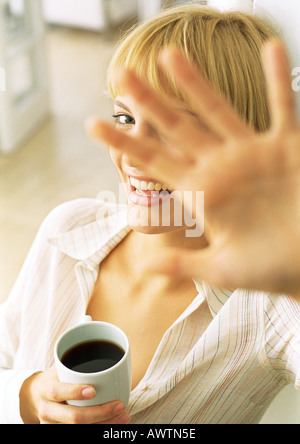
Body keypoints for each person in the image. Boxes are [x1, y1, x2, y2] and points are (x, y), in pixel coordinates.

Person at [0, 5, 299, 425]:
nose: (134, 153)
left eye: (173, 127)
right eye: (125, 118)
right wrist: (26, 398)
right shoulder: (67, 230)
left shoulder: (267, 306)